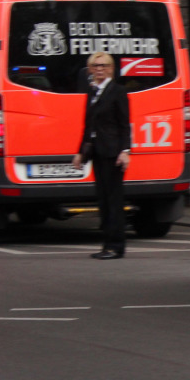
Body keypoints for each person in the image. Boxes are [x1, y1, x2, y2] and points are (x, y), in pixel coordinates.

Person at [72, 52, 131, 259]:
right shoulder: (92, 91)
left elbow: (125, 125)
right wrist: (81, 152)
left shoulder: (118, 92)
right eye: (95, 66)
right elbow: (88, 126)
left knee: (114, 200)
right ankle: (107, 244)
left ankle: (116, 245)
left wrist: (125, 151)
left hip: (113, 153)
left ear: (111, 69)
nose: (99, 69)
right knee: (103, 200)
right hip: (97, 151)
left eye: (103, 65)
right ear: (89, 69)